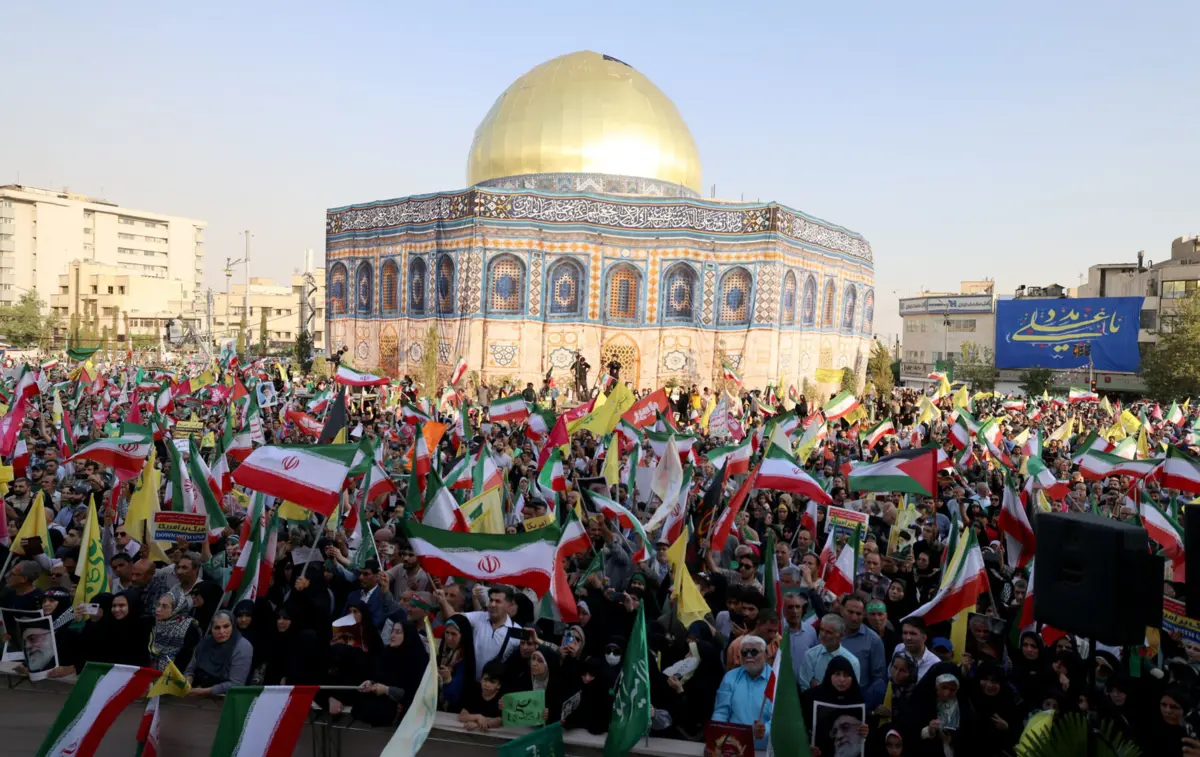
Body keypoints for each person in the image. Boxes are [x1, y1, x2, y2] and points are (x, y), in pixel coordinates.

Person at [438, 584, 519, 679]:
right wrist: (443, 600)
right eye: (491, 600)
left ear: (509, 605)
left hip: (494, 688)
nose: (492, 605)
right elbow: (454, 617)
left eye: (498, 601)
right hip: (470, 683)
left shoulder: (517, 631)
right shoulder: (478, 617)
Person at [356, 620, 429, 726]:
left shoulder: (418, 659)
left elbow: (414, 693)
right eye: (392, 631)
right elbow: (379, 676)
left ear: (408, 635)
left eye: (398, 632)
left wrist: (387, 690)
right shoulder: (389, 653)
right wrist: (371, 683)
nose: (392, 635)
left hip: (408, 711)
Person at [711, 635, 773, 750]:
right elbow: (721, 713)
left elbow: (780, 719)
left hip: (764, 750)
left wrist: (765, 730)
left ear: (766, 654)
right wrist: (715, 739)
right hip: (734, 749)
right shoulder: (730, 677)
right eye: (745, 653)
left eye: (754, 652)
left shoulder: (776, 680)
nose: (749, 656)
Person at [185, 610, 253, 696]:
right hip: (196, 691)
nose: (221, 632)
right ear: (211, 629)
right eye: (217, 628)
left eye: (226, 626)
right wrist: (188, 679)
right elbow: (191, 668)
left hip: (225, 697)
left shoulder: (242, 647)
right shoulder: (206, 642)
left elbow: (236, 684)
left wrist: (204, 691)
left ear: (233, 625)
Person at [800, 614, 862, 691]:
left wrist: (818, 688)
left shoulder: (852, 662)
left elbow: (853, 692)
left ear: (841, 635)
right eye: (821, 630)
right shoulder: (810, 655)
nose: (822, 635)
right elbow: (805, 688)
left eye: (829, 632)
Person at [148, 586, 202, 672]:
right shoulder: (154, 623)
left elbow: (188, 660)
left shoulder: (189, 628)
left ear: (177, 609)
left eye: (164, 606)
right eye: (158, 604)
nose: (158, 609)